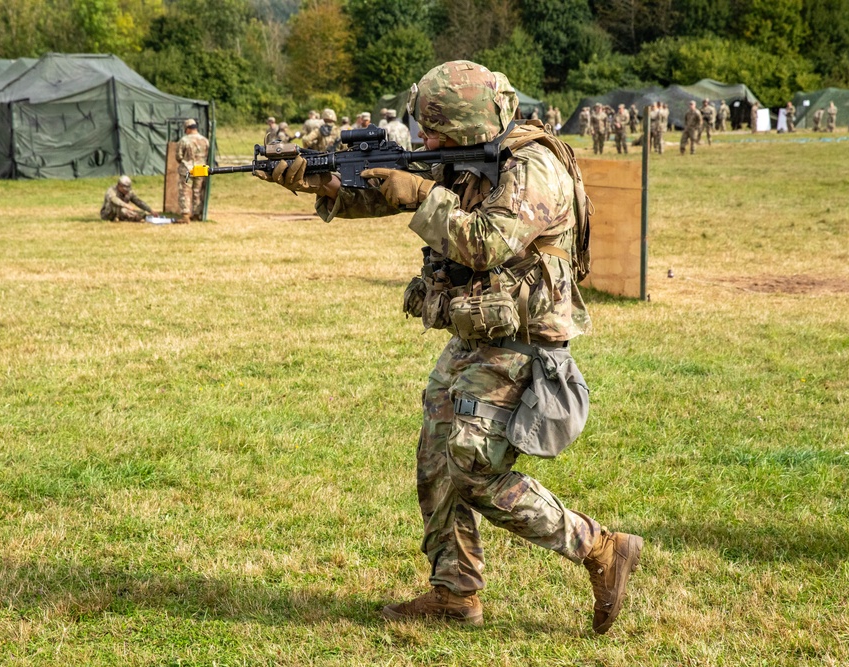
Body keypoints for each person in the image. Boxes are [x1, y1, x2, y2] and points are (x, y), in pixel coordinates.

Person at [254, 60, 643, 633]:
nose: (426, 141)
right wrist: (329, 182)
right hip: (476, 333)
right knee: (437, 463)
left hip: (523, 340)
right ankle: (454, 593)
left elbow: (485, 242)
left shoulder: (533, 166)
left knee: (476, 471)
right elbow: (393, 193)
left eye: (435, 131)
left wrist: (422, 194)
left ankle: (601, 548)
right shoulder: (467, 154)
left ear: (467, 123)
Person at [176, 118, 210, 223]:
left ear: (187, 128)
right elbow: (208, 155)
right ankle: (197, 214)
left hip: (188, 169)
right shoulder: (205, 140)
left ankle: (185, 215)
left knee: (185, 191)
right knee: (198, 191)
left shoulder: (184, 140)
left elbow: (178, 156)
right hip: (201, 168)